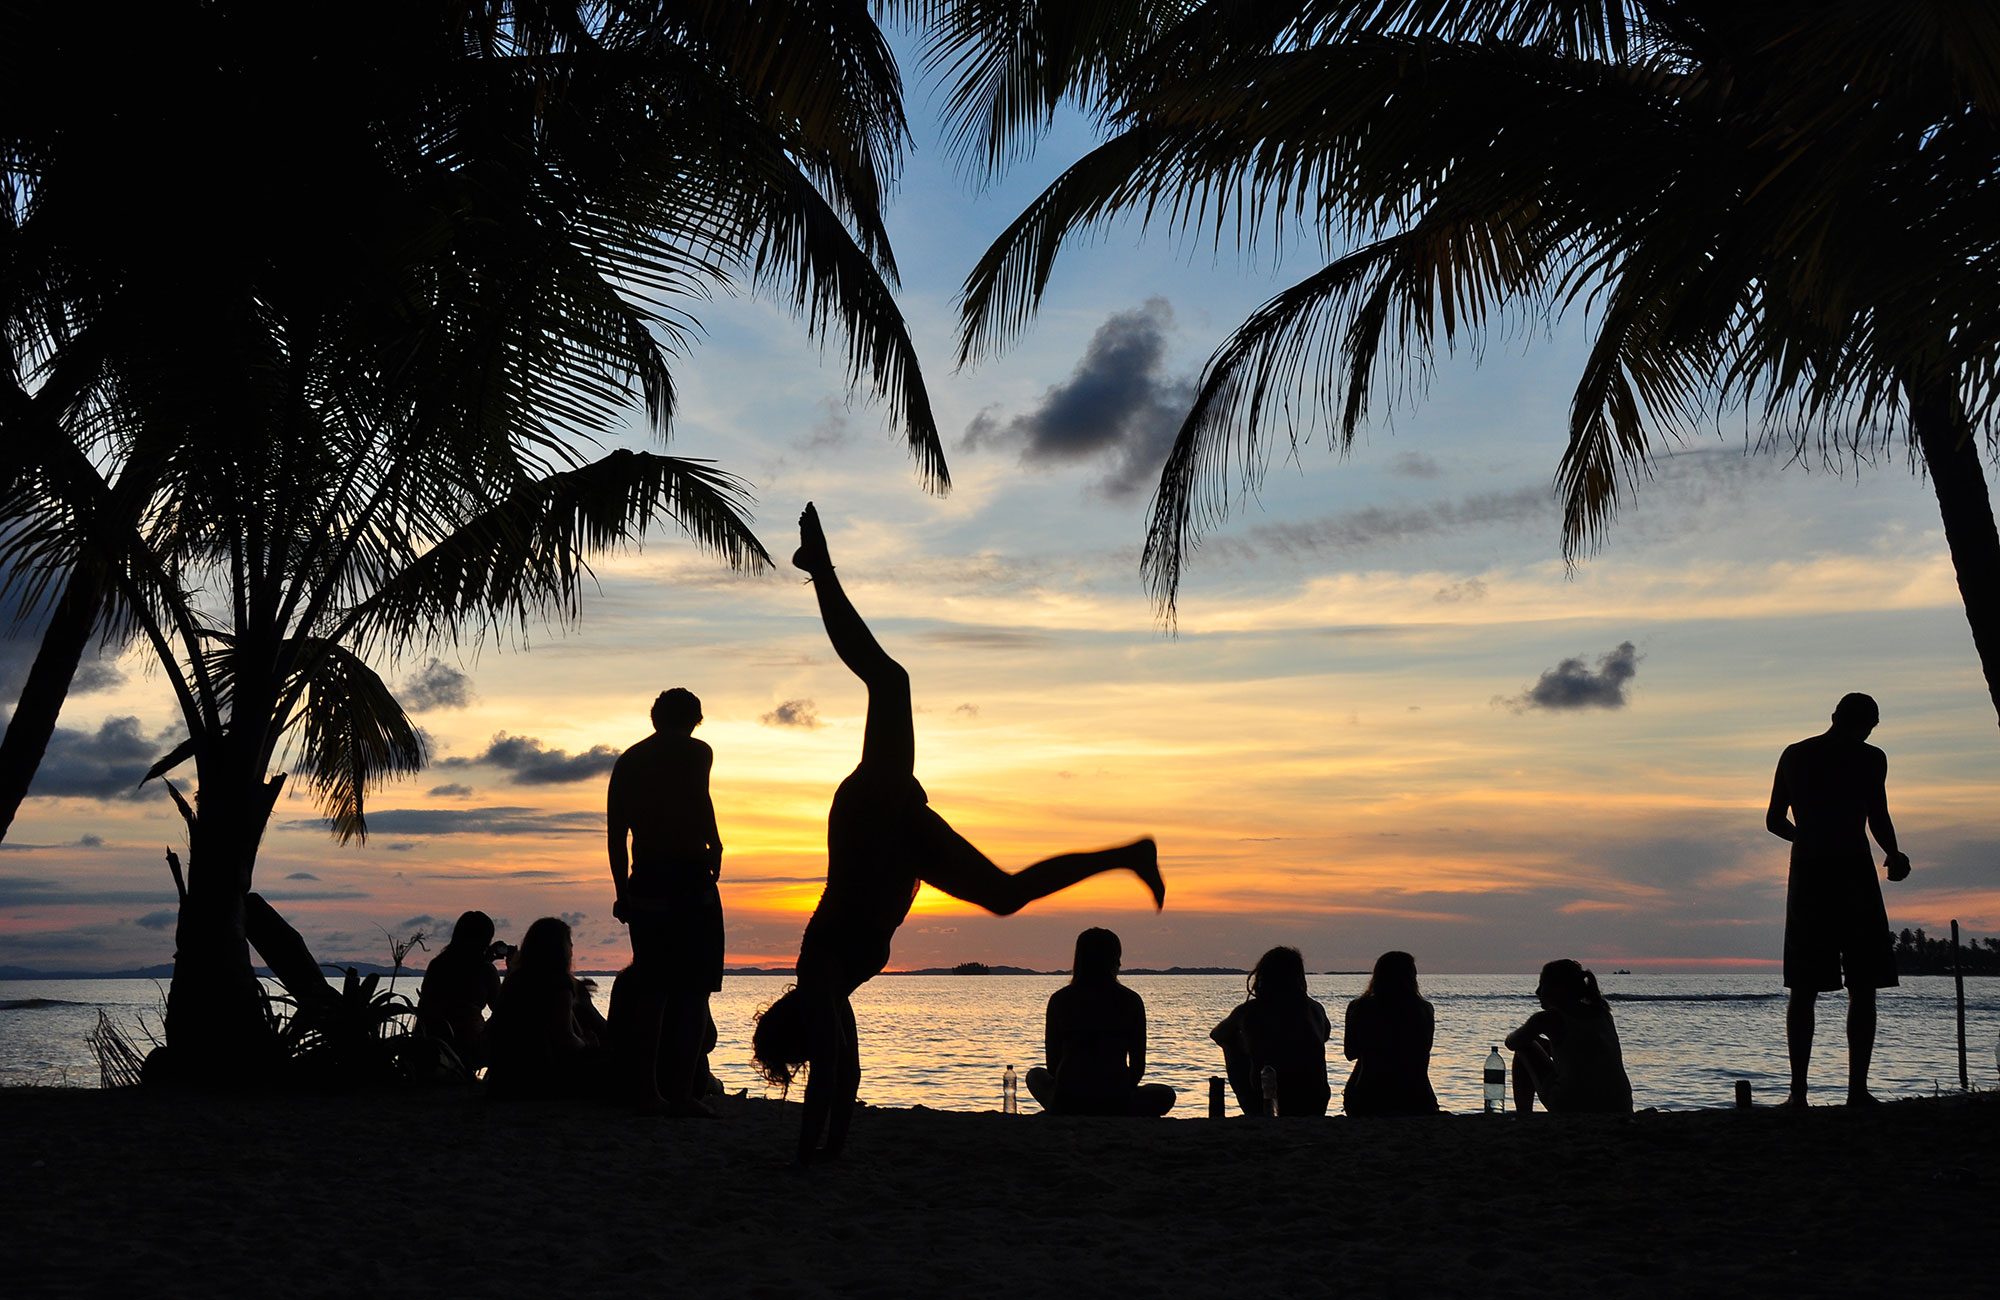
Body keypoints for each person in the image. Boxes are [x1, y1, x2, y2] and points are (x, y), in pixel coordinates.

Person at [752, 503, 1164, 1162]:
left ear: (797, 1027)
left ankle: (819, 570)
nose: (819, 1048)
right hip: (897, 848)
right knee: (1004, 896)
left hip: (870, 829)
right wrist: (827, 1154)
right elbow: (844, 1076)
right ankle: (1128, 855)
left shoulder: (819, 978)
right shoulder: (832, 996)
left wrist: (810, 1156)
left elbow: (830, 1077)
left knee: (890, 682)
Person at [1766, 692, 1910, 1108]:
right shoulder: (1870, 758)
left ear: (1835, 716)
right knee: (1860, 985)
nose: (1867, 733)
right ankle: (1853, 1092)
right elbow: (1877, 814)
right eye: (1869, 726)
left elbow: (1775, 821)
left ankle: (1801, 1094)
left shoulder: (1797, 755)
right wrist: (1892, 852)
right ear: (1865, 724)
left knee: (1807, 987)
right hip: (1852, 871)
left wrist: (1808, 838)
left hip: (1812, 871)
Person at [607, 686, 724, 1116]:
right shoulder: (698, 752)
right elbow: (699, 799)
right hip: (689, 878)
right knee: (694, 991)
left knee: (652, 990)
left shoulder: (629, 761)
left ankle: (647, 1089)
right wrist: (714, 843)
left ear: (656, 717)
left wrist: (622, 892)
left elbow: (616, 835)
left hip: (648, 880)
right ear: (694, 720)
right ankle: (681, 1093)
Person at [1024, 928, 1176, 1117]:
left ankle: (1061, 1106)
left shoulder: (1060, 999)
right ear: (1113, 960)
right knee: (1165, 1094)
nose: (1120, 963)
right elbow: (1138, 1067)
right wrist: (1120, 1090)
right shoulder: (1131, 1000)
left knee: (1035, 1075)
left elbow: (1053, 1065)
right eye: (1118, 957)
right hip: (1115, 1097)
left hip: (1068, 1097)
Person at [486, 917, 605, 1098]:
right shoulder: (558, 984)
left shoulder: (514, 980)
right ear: (562, 950)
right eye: (570, 945)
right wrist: (587, 1044)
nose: (572, 951)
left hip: (504, 1078)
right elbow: (565, 1039)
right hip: (539, 1079)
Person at [1210, 946, 1331, 1117]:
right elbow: (1324, 1036)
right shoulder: (1316, 1009)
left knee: (1230, 1042)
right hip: (1315, 1103)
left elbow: (1217, 1035)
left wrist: (1247, 1044)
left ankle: (1254, 1105)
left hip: (1267, 1101)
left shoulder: (1251, 1010)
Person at [1504, 958, 1632, 1114]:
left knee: (1524, 1048)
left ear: (1556, 989)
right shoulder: (1603, 1014)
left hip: (1571, 1105)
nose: (1537, 992)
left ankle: (1523, 1115)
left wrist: (1533, 1039)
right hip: (1620, 1105)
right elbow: (1582, 1053)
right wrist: (1548, 1046)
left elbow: (1511, 1043)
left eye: (1542, 985)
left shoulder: (1548, 1018)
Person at [1341, 950, 1439, 1116]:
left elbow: (1350, 1053)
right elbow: (1423, 1052)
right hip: (1416, 1096)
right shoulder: (1424, 1009)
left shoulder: (1359, 1007)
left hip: (1367, 1095)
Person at [415, 910, 505, 1071]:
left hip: (434, 1045)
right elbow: (502, 1008)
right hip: (470, 1047)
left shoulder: (438, 965)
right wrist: (513, 971)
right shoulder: (485, 970)